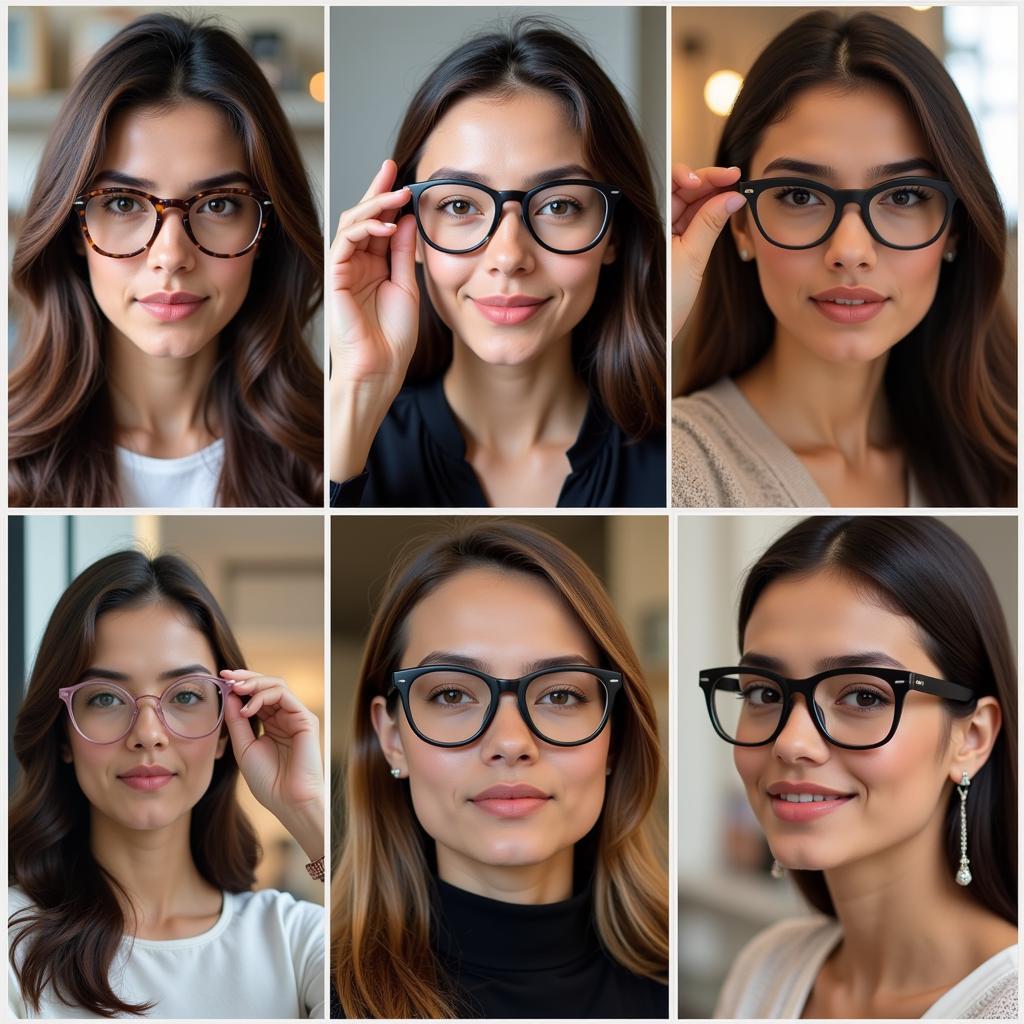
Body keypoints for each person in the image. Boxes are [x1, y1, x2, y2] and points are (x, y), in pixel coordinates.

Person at [671, 12, 1015, 507]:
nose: (850, 252)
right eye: (799, 195)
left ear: (955, 228)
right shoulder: (679, 468)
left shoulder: (996, 462)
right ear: (740, 223)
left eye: (903, 196)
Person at [330, 521, 668, 1018]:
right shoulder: (311, 994)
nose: (511, 742)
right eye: (452, 694)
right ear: (391, 738)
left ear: (612, 734)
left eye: (560, 695)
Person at [330, 21, 666, 508]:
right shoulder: (336, 445)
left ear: (612, 233)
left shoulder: (674, 460)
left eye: (559, 205)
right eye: (460, 207)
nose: (508, 257)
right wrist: (357, 390)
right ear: (408, 233)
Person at [698, 517, 1017, 1018]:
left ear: (971, 738)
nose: (792, 742)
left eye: (863, 695)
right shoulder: (765, 970)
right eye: (763, 692)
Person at [8, 14, 323, 508]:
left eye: (219, 204)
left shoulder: (335, 456)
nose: (171, 257)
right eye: (123, 203)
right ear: (73, 228)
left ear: (266, 229)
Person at [8, 551, 326, 1018]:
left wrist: (306, 811)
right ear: (63, 736)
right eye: (104, 698)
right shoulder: (11, 938)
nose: (148, 734)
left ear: (226, 729)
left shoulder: (297, 939)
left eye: (186, 696)